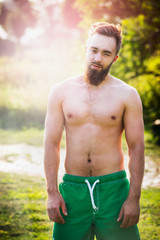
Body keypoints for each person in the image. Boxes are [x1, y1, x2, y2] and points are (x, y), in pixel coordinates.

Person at [44, 22, 145, 240]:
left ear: (115, 58)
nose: (98, 58)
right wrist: (52, 193)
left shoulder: (127, 95)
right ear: (86, 49)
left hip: (114, 192)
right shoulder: (60, 92)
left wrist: (133, 199)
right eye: (94, 50)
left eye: (106, 53)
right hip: (72, 192)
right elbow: (51, 144)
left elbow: (137, 148)